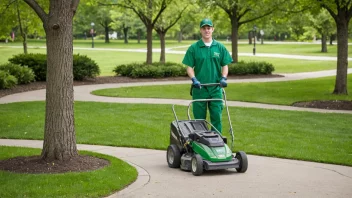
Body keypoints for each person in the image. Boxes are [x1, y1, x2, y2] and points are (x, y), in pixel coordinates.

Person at [182, 18, 233, 134]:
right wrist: (194, 79)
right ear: (200, 30)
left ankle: (217, 142)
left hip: (216, 88)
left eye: (208, 28)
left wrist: (224, 77)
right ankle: (201, 143)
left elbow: (225, 65)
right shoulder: (194, 48)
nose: (206, 30)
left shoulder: (220, 47)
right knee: (199, 120)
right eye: (204, 28)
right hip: (199, 89)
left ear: (212, 29)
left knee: (216, 117)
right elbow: (189, 67)